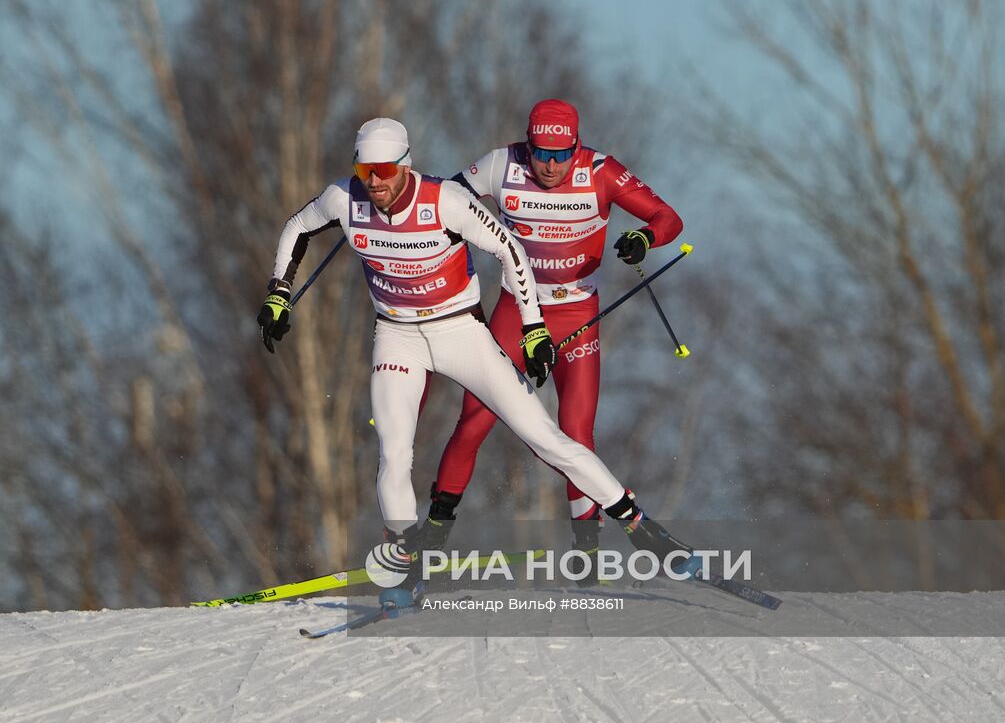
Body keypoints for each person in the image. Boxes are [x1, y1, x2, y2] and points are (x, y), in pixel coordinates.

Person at [258, 116, 692, 607]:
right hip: (397, 337)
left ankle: (640, 529)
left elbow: (511, 252)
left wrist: (532, 331)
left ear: (404, 164)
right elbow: (298, 225)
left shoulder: (446, 201)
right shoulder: (344, 199)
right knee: (395, 453)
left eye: (382, 169)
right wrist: (279, 293)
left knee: (548, 437)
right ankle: (403, 571)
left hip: (460, 332)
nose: (373, 181)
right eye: (364, 169)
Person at [425, 99, 683, 584]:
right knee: (475, 421)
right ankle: (432, 535)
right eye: (541, 152)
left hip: (578, 314)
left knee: (576, 434)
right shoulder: (502, 164)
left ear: (577, 147)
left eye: (561, 155)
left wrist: (644, 239)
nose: (549, 165)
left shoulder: (602, 172)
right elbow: (440, 200)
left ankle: (587, 552)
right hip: (515, 312)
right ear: (528, 142)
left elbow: (669, 218)